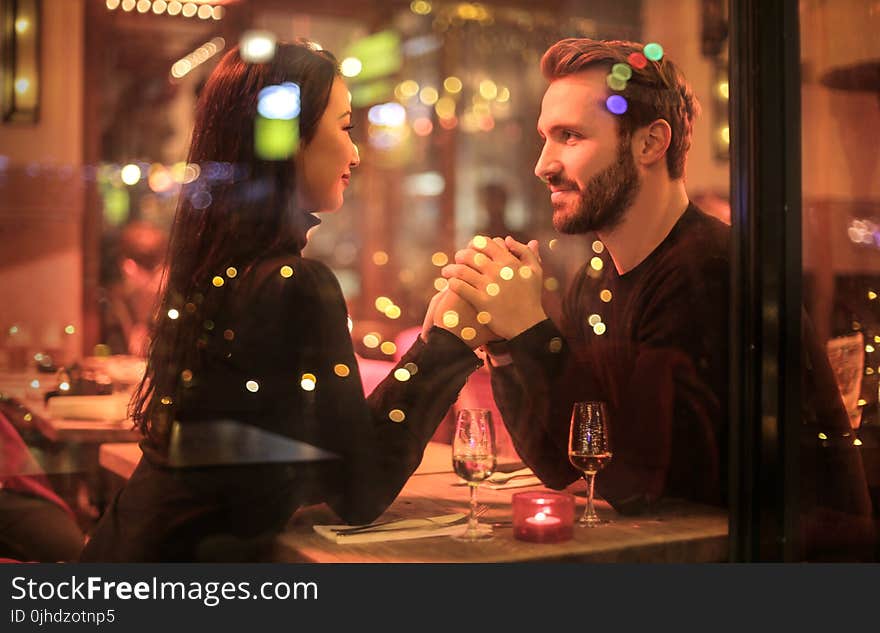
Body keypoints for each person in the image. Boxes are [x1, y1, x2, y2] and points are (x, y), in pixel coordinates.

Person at [80, 41, 486, 562]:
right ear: (291, 141)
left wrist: (433, 343)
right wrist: (450, 342)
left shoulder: (221, 270)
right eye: (344, 127)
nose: (356, 153)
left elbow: (318, 464)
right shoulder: (293, 284)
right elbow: (358, 490)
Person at [441, 38, 730, 513]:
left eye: (570, 136)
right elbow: (565, 465)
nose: (543, 165)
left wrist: (530, 331)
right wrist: (506, 347)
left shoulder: (706, 271)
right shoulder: (594, 282)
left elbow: (641, 483)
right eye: (544, 138)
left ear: (650, 143)